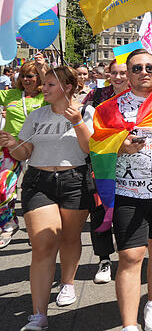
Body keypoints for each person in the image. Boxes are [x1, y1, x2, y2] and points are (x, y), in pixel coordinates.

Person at [92, 49, 152, 331]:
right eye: (137, 68)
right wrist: (118, 146)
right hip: (128, 193)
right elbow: (96, 146)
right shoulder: (108, 109)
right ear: (128, 73)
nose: (143, 72)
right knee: (129, 256)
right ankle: (129, 325)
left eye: (149, 67)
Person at [0, 67, 94, 331]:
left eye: (51, 84)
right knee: (43, 243)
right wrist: (11, 143)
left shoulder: (86, 111)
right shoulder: (36, 115)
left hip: (75, 180)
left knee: (69, 238)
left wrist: (77, 122)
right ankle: (38, 314)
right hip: (38, 182)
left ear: (68, 87)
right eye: (45, 84)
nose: (43, 88)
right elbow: (25, 152)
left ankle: (67, 283)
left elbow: (90, 149)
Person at [82, 60, 130, 284]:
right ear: (108, 74)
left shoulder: (141, 95)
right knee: (99, 211)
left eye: (123, 73)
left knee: (125, 212)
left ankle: (127, 257)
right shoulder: (96, 95)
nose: (118, 77)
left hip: (131, 165)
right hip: (100, 162)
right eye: (114, 73)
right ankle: (104, 259)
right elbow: (85, 126)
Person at [0, 59, 47, 249]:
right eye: (23, 76)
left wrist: (43, 68)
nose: (26, 80)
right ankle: (8, 223)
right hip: (10, 149)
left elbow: (62, 88)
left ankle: (36, 229)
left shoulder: (46, 96)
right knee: (3, 188)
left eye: (31, 76)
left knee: (35, 193)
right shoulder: (11, 94)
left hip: (38, 150)